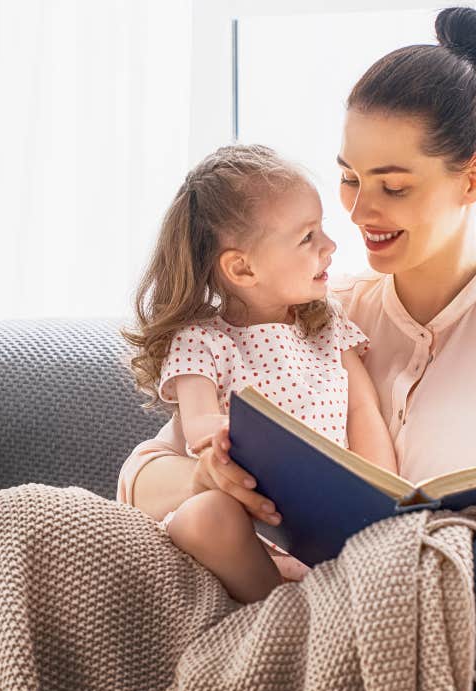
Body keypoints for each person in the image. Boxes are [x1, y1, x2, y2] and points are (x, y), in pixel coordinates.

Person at [118, 6, 476, 691]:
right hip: (319, 601)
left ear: (475, 177)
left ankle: (334, 663)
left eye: (393, 185)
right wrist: (211, 473)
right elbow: (139, 478)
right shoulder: (308, 312)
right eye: (349, 177)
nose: (359, 210)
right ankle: (320, 671)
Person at [122, 143, 398, 604]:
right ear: (242, 267)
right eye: (307, 237)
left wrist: (383, 497)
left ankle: (303, 608)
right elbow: (201, 428)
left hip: (325, 524)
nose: (330, 245)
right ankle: (283, 620)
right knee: (206, 515)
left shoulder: (327, 326)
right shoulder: (204, 341)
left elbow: (362, 406)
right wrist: (240, 446)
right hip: (248, 519)